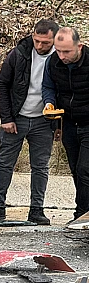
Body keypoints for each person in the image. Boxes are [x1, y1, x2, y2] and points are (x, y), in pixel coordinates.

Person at [0, 19, 59, 224]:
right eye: (37, 41)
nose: (39, 46)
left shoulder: (61, 57)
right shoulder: (19, 54)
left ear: (55, 40)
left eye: (45, 43)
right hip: (16, 117)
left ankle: (37, 210)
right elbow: (2, 84)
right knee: (5, 164)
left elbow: (65, 91)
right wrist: (6, 118)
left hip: (44, 121)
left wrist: (58, 124)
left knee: (40, 167)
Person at [42, 27, 89, 223]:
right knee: (75, 169)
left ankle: (82, 215)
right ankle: (83, 212)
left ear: (79, 46)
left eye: (67, 51)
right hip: (68, 122)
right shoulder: (53, 62)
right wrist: (49, 103)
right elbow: (48, 86)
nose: (62, 56)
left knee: (85, 169)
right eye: (58, 50)